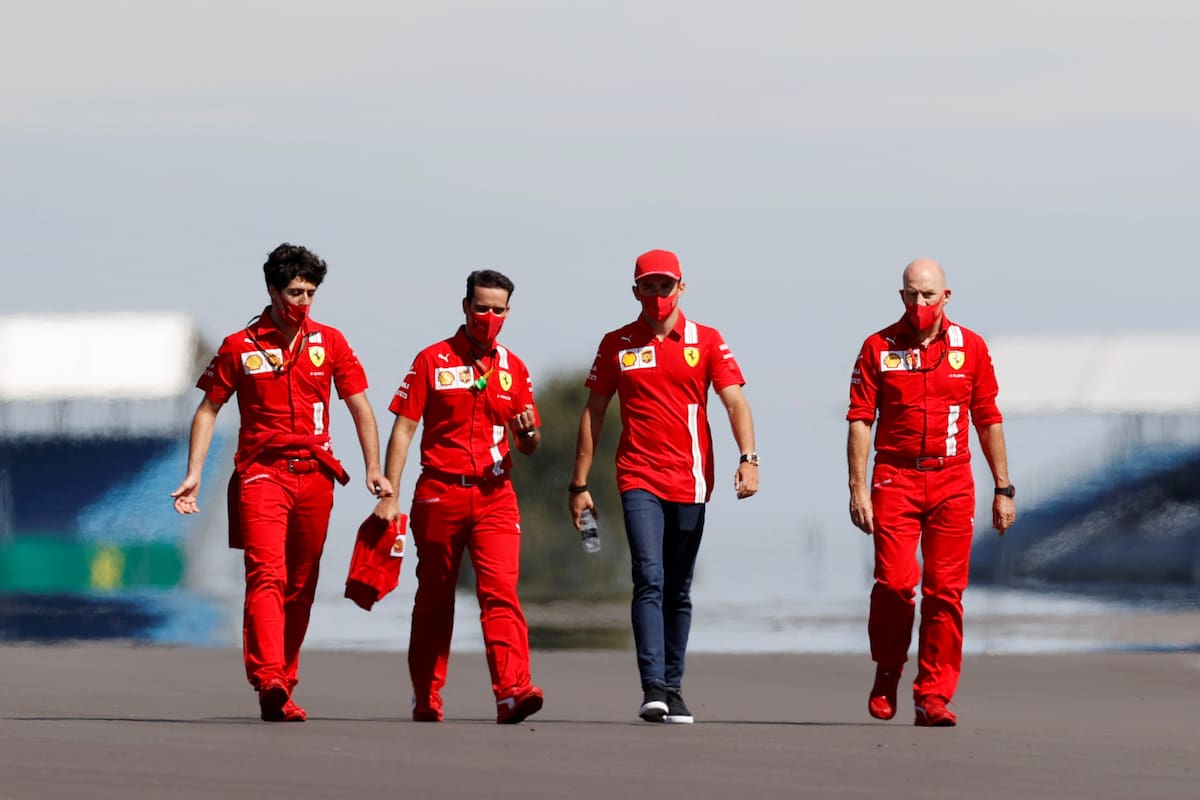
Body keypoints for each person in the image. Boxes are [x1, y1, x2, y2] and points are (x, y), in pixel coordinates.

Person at [171, 243, 391, 722]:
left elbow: (360, 406)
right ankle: (267, 675)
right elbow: (209, 409)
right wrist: (194, 473)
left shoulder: (330, 341)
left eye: (311, 292)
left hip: (316, 476)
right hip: (261, 475)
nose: (304, 302)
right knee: (266, 574)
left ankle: (283, 684)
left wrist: (374, 468)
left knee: (301, 583)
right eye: (294, 292)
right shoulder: (239, 346)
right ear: (272, 290)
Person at [569, 249, 758, 725]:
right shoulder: (616, 343)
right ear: (635, 291)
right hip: (638, 477)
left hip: (692, 480)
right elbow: (593, 412)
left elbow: (735, 401)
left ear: (682, 288)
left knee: (678, 588)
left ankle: (674, 688)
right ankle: (652, 686)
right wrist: (579, 483)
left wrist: (749, 458)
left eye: (665, 286)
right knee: (648, 577)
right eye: (648, 287)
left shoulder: (706, 340)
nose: (657, 295)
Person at [846, 257, 1015, 727]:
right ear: (901, 296)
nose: (920, 303)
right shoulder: (878, 347)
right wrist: (858, 487)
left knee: (945, 593)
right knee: (897, 585)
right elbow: (861, 419)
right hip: (895, 479)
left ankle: (934, 695)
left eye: (929, 294)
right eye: (912, 294)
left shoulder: (971, 348)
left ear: (946, 296)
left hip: (952, 479)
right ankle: (888, 668)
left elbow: (988, 419)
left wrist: (1004, 488)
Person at [372, 269, 544, 725]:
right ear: (465, 306)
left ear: (509, 312)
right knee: (434, 598)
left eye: (498, 310)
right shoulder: (432, 359)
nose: (489, 317)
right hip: (439, 492)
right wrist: (390, 491)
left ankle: (512, 691)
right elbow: (405, 428)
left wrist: (527, 436)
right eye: (482, 307)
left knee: (501, 592)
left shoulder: (515, 368)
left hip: (495, 496)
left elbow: (529, 441)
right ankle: (426, 695)